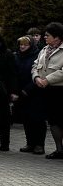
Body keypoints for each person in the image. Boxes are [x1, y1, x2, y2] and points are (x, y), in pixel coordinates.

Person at [32, 22, 63, 158]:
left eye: (47, 35)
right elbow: (35, 65)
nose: (45, 37)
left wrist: (47, 80)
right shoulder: (44, 50)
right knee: (53, 121)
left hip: (60, 90)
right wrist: (36, 78)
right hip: (46, 91)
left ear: (57, 37)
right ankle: (59, 149)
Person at [14, 36, 41, 153]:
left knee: (37, 119)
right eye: (21, 44)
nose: (22, 47)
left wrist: (28, 89)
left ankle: (39, 144)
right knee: (26, 119)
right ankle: (30, 143)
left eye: (25, 45)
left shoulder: (37, 55)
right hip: (21, 92)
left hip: (34, 91)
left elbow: (39, 72)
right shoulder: (16, 56)